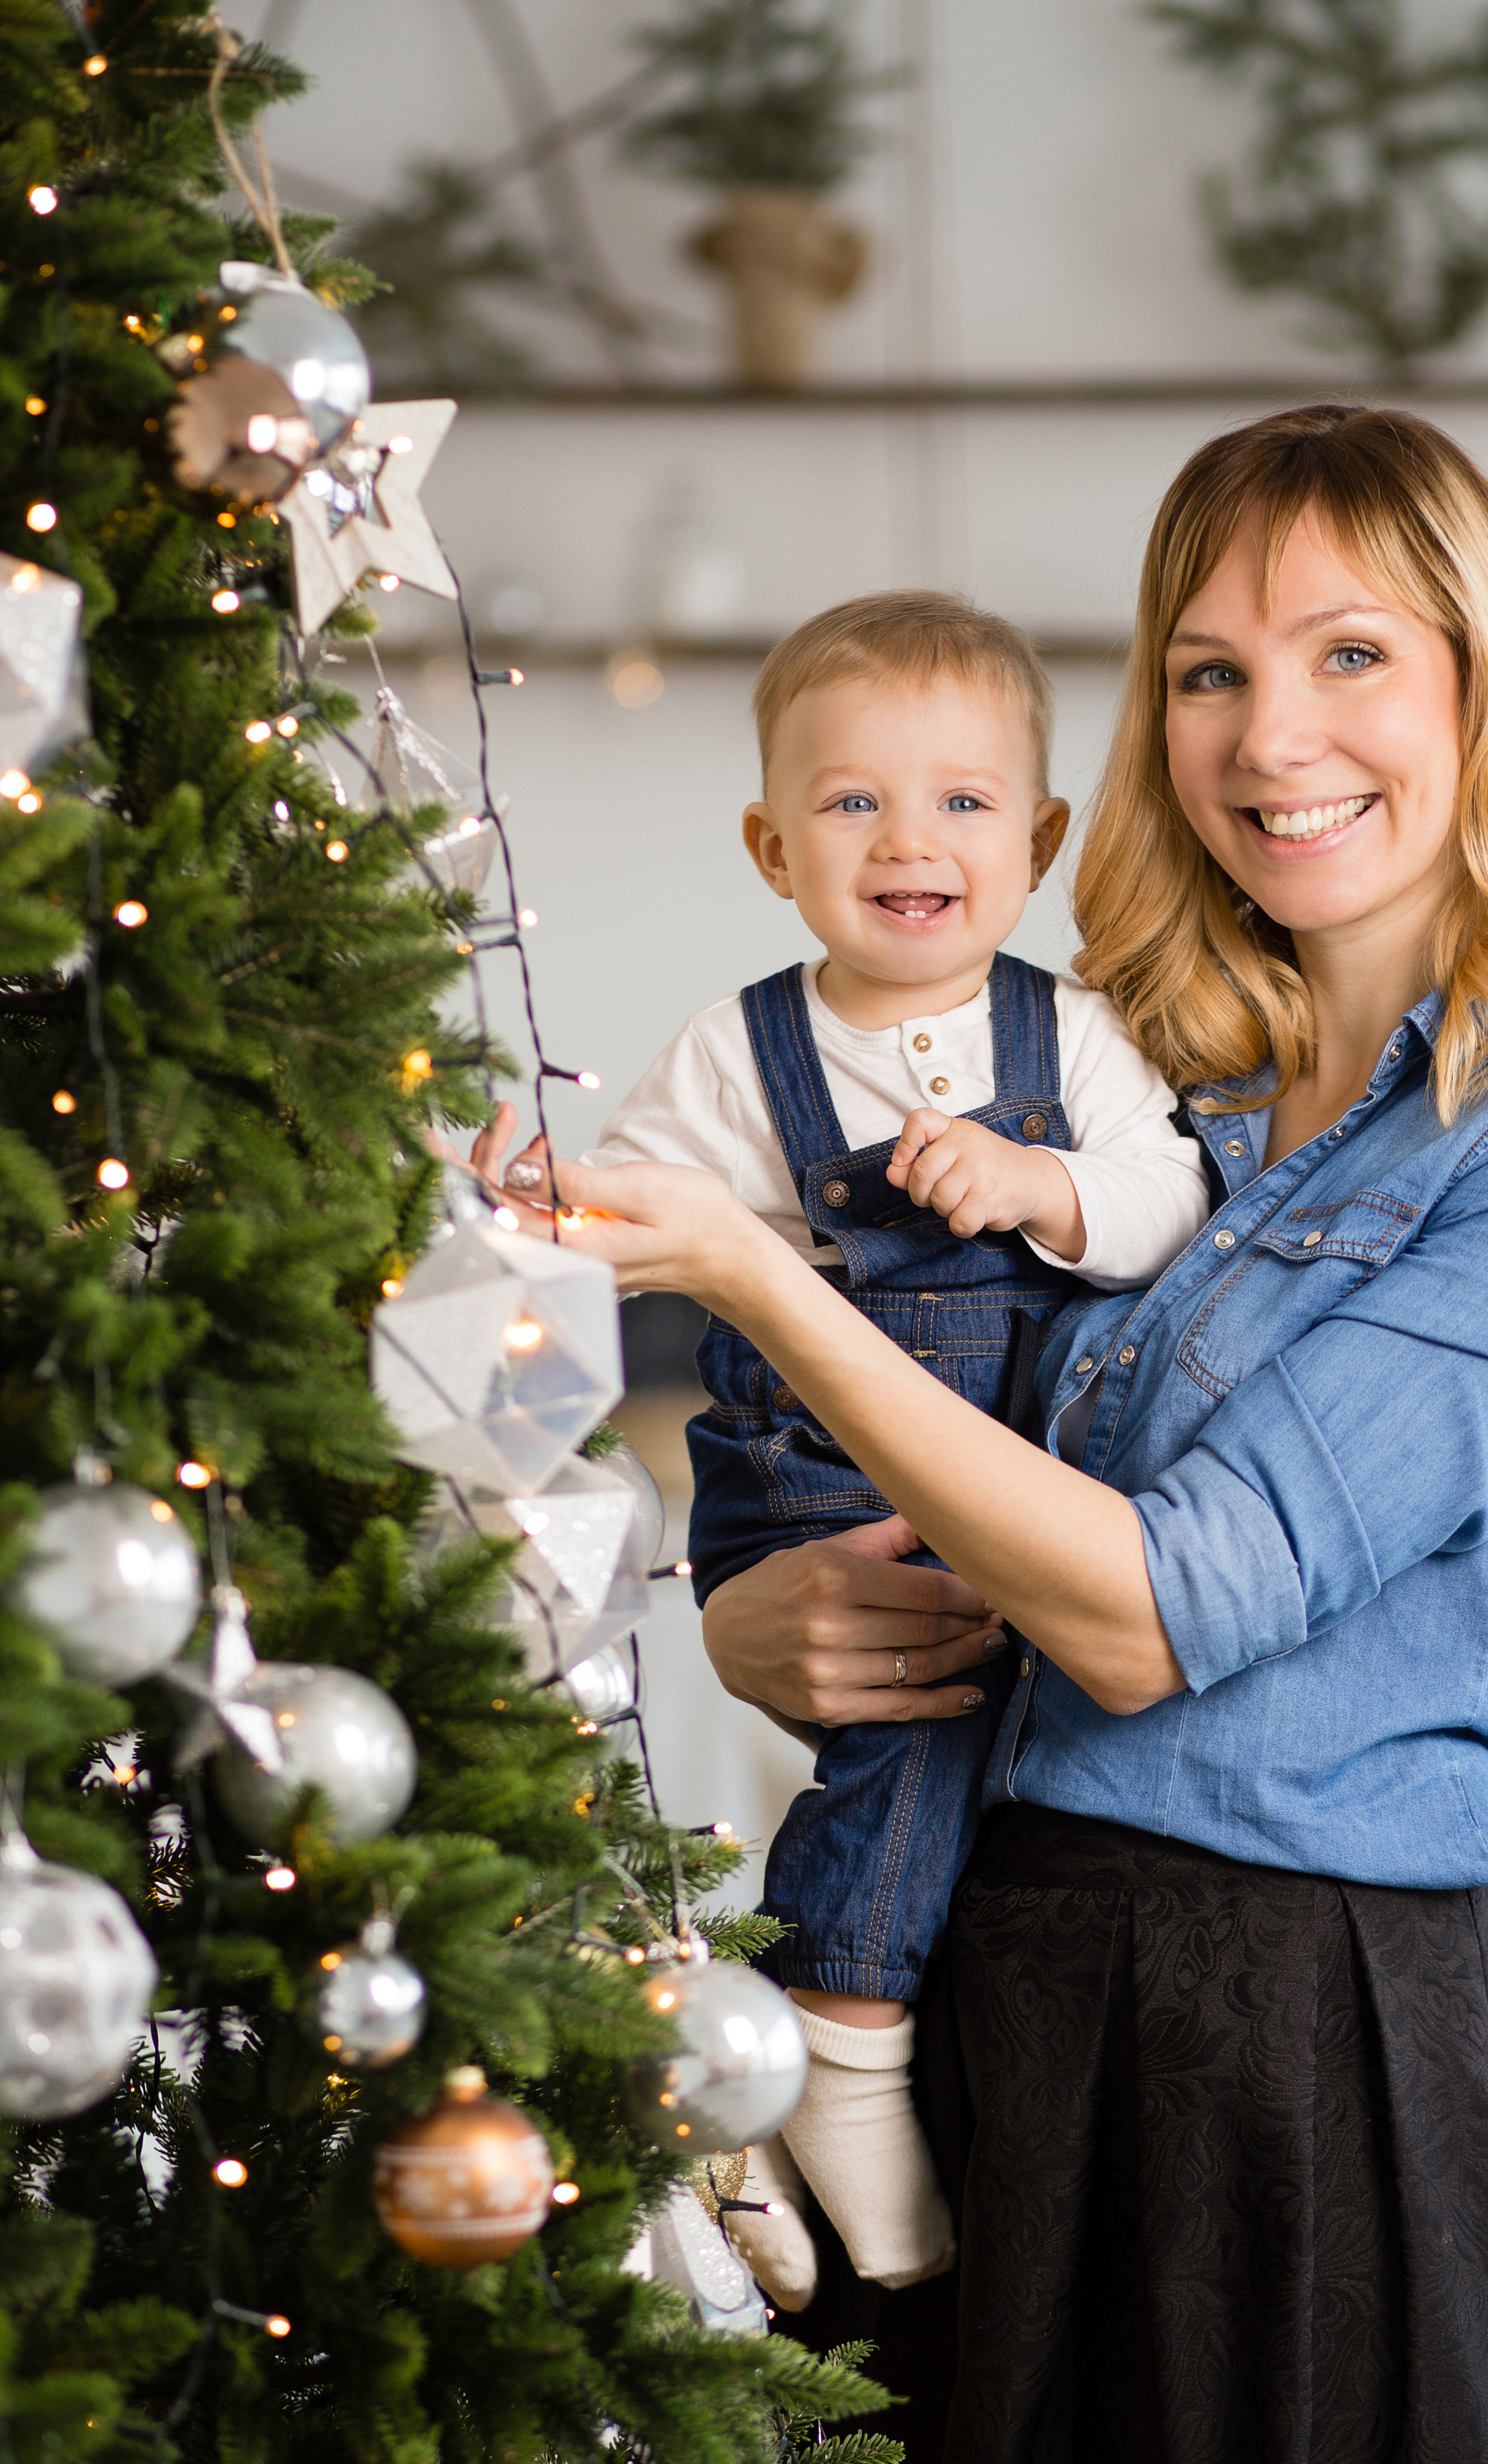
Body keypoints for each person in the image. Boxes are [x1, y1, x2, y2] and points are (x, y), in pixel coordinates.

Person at [475, 404, 1488, 2464]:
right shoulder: (1186, 1120)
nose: (1274, 737)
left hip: (1302, 2066)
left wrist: (747, 1279)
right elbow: (963, 1544)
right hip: (995, 2017)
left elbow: (1155, 1615)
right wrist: (757, 1614)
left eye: (1352, 653)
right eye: (1204, 669)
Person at [518, 591, 1208, 2301]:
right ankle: (841, 2046)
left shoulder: (1076, 1039)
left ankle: (822, 2041)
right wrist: (530, 1209)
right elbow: (627, 1199)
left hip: (1022, 1472)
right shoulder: (737, 1052)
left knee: (982, 1737)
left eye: (963, 803)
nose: (910, 840)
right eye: (851, 805)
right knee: (912, 1728)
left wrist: (1040, 1187)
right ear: (770, 844)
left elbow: (1165, 1199)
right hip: (813, 1477)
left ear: (1038, 840)